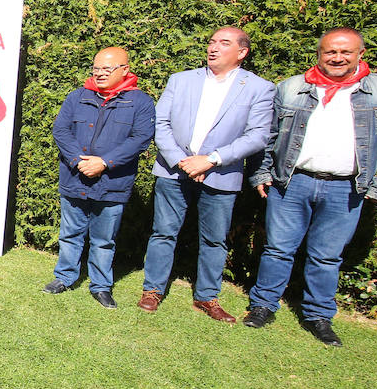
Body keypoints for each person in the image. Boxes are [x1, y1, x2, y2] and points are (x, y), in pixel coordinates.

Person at [243, 28, 377, 345]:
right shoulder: (293, 88)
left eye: (345, 52)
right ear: (319, 54)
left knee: (327, 256)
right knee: (278, 250)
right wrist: (262, 173)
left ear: (360, 54)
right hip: (292, 183)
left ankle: (318, 315)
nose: (337, 57)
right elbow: (268, 137)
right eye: (330, 52)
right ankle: (262, 306)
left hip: (345, 188)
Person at [137, 27, 274, 321]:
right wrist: (182, 160)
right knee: (163, 232)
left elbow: (258, 136)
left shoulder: (259, 88)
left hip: (221, 174)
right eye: (212, 41)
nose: (213, 47)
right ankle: (152, 289)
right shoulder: (181, 80)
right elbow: (160, 123)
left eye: (223, 43)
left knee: (214, 239)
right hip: (174, 170)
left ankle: (207, 297)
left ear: (241, 52)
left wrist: (210, 160)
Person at [42, 47, 156, 307]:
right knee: (70, 233)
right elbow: (61, 131)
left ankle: (101, 286)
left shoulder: (140, 102)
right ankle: (64, 277)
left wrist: (104, 163)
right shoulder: (77, 97)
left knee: (104, 240)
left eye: (107, 69)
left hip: (113, 183)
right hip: (75, 177)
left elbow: (140, 139)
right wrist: (78, 161)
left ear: (125, 69)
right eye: (96, 69)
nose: (100, 74)